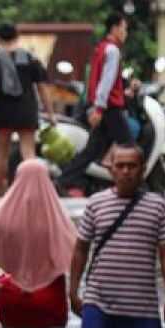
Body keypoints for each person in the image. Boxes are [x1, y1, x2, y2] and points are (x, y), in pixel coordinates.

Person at [69, 145, 165, 328]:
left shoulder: (158, 207)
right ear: (111, 170)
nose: (126, 171)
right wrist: (72, 292)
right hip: (97, 301)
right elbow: (81, 249)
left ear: (143, 169)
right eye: (120, 166)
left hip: (141, 306)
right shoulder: (95, 204)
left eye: (132, 166)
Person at [0, 159, 77, 328]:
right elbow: (74, 257)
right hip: (49, 298)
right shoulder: (56, 217)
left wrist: (4, 284)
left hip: (12, 298)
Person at [56, 12, 134, 194]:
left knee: (92, 151)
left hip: (103, 106)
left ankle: (63, 180)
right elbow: (106, 82)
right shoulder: (113, 50)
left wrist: (96, 106)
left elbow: (97, 80)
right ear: (115, 28)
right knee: (130, 146)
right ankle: (137, 187)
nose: (125, 32)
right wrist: (98, 108)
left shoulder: (101, 48)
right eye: (124, 28)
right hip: (110, 108)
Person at [0, 22, 55, 196]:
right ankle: (30, 190)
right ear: (17, 37)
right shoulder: (30, 59)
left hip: (3, 110)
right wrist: (50, 113)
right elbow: (42, 88)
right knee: (28, 152)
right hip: (26, 109)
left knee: (1, 154)